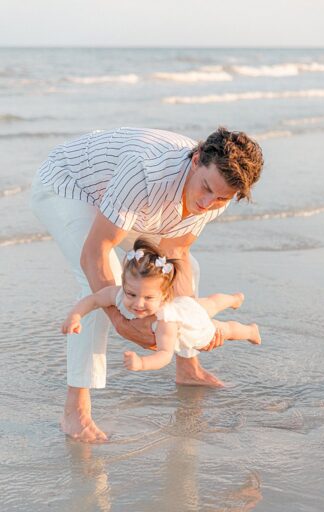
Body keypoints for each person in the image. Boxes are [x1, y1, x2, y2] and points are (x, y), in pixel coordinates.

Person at [31, 126, 263, 442]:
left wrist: (185, 331)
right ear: (196, 160)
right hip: (68, 184)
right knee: (104, 286)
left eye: (222, 197)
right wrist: (121, 319)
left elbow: (175, 251)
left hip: (128, 202)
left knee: (185, 267)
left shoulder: (216, 194)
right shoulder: (145, 171)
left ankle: (188, 367)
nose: (209, 203)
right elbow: (94, 251)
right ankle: (75, 411)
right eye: (207, 189)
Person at [61, 239, 261, 372]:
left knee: (224, 327)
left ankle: (250, 330)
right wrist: (75, 316)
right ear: (124, 284)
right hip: (187, 306)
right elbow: (94, 299)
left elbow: (165, 355)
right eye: (132, 294)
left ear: (165, 296)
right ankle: (234, 299)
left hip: (193, 326)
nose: (138, 303)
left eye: (148, 298)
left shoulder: (165, 321)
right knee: (209, 303)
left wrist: (141, 363)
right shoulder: (119, 294)